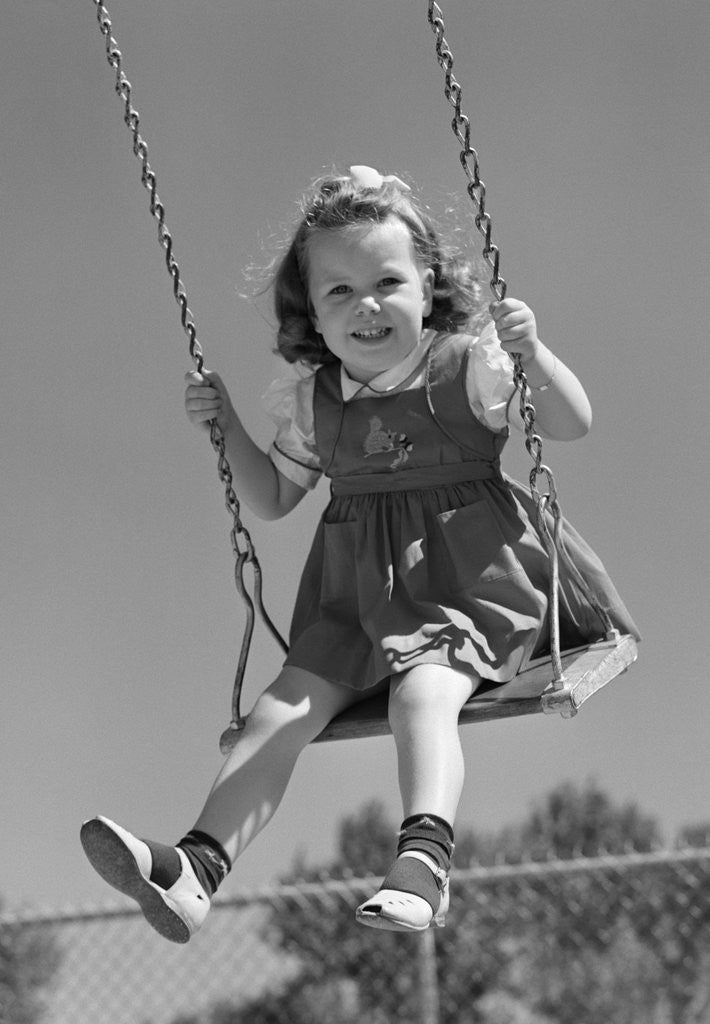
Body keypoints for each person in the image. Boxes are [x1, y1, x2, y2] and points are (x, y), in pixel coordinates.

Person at [80, 165, 638, 941]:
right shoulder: (314, 404)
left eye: (386, 281)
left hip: (469, 583)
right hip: (354, 600)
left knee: (423, 692)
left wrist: (534, 355)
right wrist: (228, 426)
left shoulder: (468, 364)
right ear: (311, 310)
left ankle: (424, 861)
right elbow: (274, 500)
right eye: (338, 291)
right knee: (278, 712)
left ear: (428, 286)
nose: (365, 304)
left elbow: (573, 423)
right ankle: (194, 871)